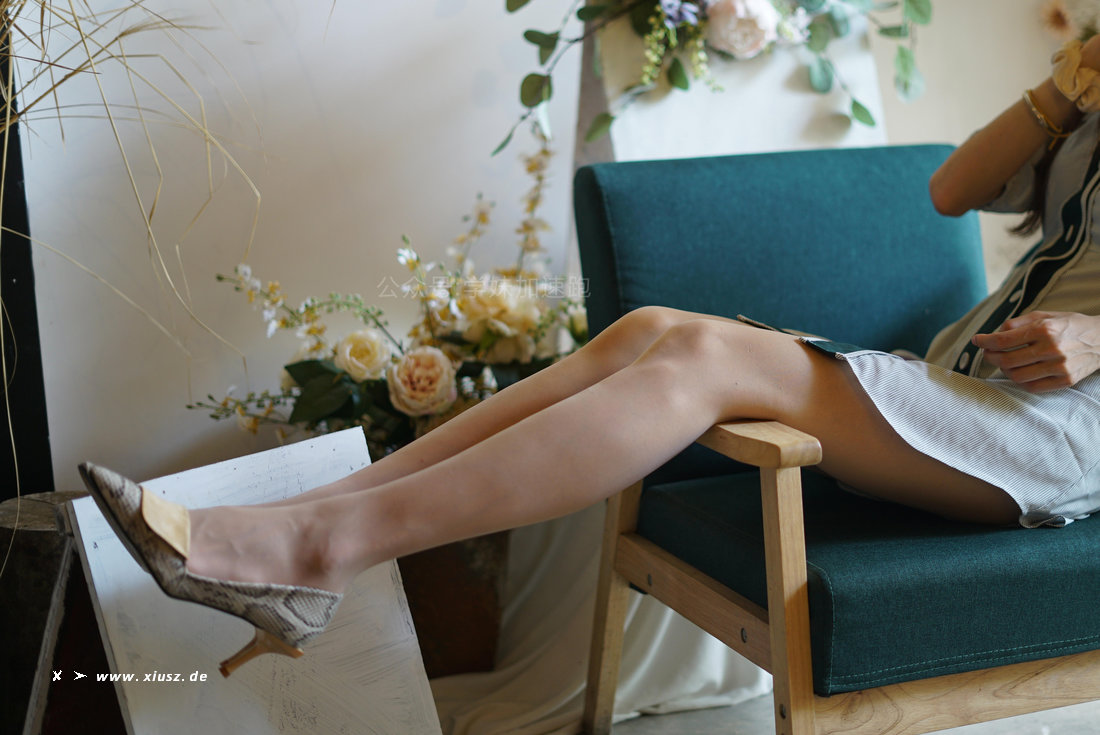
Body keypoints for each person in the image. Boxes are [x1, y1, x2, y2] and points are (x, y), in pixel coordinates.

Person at [80, 37, 1100, 677]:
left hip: (1054, 435)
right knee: (648, 328)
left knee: (703, 357)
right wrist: (1069, 83)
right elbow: (950, 190)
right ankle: (310, 520)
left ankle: (319, 551)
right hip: (971, 394)